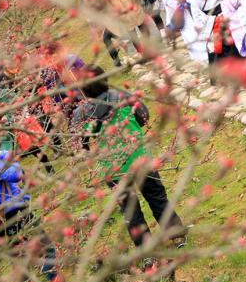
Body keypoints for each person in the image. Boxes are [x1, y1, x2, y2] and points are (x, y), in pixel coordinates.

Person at [72, 66, 187, 250]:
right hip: (140, 159)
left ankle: (145, 249)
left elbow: (79, 145)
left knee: (130, 209)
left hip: (113, 169)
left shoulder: (82, 115)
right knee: (157, 197)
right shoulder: (124, 96)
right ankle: (176, 235)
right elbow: (143, 117)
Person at [0, 139, 59, 280]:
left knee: (17, 251)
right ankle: (53, 281)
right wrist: (4, 155)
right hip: (14, 208)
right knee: (46, 245)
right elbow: (16, 174)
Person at [187, 0, 240, 64]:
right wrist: (214, 20)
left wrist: (225, 14)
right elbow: (198, 17)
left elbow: (226, 1)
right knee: (217, 52)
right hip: (211, 25)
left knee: (234, 43)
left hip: (224, 17)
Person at [78, 0, 124, 67]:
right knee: (107, 40)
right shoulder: (83, 3)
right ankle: (117, 61)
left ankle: (117, 60)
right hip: (99, 25)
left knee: (109, 39)